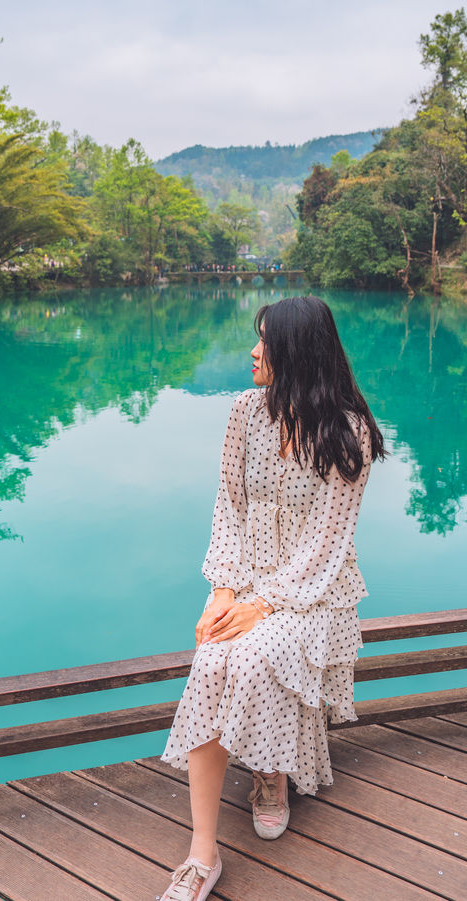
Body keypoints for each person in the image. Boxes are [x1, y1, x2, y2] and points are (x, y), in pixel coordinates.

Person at [158, 295, 385, 901]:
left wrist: (263, 605)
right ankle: (201, 856)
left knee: (256, 655)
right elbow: (227, 508)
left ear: (299, 355)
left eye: (266, 343)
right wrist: (224, 590)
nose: (254, 352)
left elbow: (326, 545)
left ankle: (270, 776)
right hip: (249, 580)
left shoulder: (350, 433)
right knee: (211, 657)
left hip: (316, 594)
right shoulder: (242, 413)